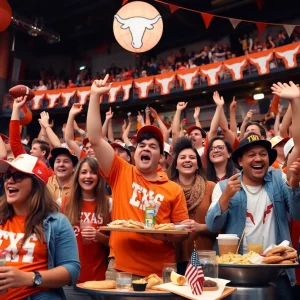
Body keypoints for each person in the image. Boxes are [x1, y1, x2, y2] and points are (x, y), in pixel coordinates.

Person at [86, 75, 188, 277]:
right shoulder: (121, 171)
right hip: (120, 269)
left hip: (161, 273)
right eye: (141, 145)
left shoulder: (174, 189)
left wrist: (163, 234)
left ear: (161, 157)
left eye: (153, 146)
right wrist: (94, 97)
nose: (146, 148)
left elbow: (182, 233)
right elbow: (95, 138)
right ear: (135, 152)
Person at [206, 133, 300, 299]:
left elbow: (297, 214)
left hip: (276, 270)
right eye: (251, 155)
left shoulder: (279, 179)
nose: (258, 158)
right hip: (239, 272)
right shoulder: (224, 186)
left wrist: (295, 185)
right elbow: (213, 226)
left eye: (263, 154)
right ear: (240, 161)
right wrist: (226, 196)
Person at [0, 154, 80, 299]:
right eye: (7, 176)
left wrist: (30, 278)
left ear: (36, 184)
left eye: (18, 176)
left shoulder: (57, 222)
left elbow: (71, 269)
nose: (10, 181)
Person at [62, 157, 110, 299]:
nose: (88, 176)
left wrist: (98, 236)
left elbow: (116, 243)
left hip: (100, 280)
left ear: (99, 177)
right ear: (77, 176)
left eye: (93, 172)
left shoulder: (109, 204)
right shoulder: (63, 203)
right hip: (71, 280)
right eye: (83, 172)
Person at [168, 137, 216, 263]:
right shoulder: (166, 188)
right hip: (173, 257)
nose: (187, 160)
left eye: (192, 157)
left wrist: (200, 227)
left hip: (204, 257)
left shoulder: (211, 187)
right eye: (182, 157)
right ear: (176, 165)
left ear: (197, 164)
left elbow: (221, 224)